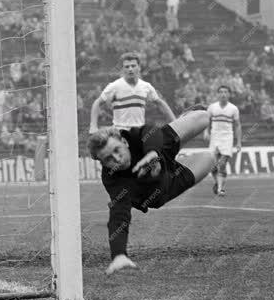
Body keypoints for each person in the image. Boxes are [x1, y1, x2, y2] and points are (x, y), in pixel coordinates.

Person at [87, 108, 215, 274]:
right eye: (109, 159)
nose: (117, 159)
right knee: (210, 158)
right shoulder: (115, 181)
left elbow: (150, 130)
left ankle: (180, 130)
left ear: (124, 142)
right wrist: (118, 255)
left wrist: (152, 153)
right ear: (103, 164)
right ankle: (181, 160)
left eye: (117, 151)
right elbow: (118, 215)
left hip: (160, 149)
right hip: (164, 185)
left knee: (204, 117)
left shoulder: (133, 136)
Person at [89, 53, 175, 133]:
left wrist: (175, 123)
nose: (130, 69)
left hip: (139, 134)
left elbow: (160, 103)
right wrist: (93, 126)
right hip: (120, 134)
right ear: (122, 69)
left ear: (139, 67)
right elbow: (97, 103)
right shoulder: (114, 86)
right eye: (127, 67)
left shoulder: (146, 86)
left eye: (133, 66)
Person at [204, 86, 242, 196]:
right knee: (212, 166)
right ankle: (217, 183)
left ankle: (220, 189)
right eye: (221, 92)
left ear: (229, 94)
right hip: (214, 138)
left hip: (227, 138)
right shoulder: (212, 107)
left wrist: (238, 142)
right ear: (217, 94)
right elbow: (207, 120)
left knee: (222, 164)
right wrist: (206, 131)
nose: (223, 94)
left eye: (225, 92)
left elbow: (238, 125)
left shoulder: (233, 109)